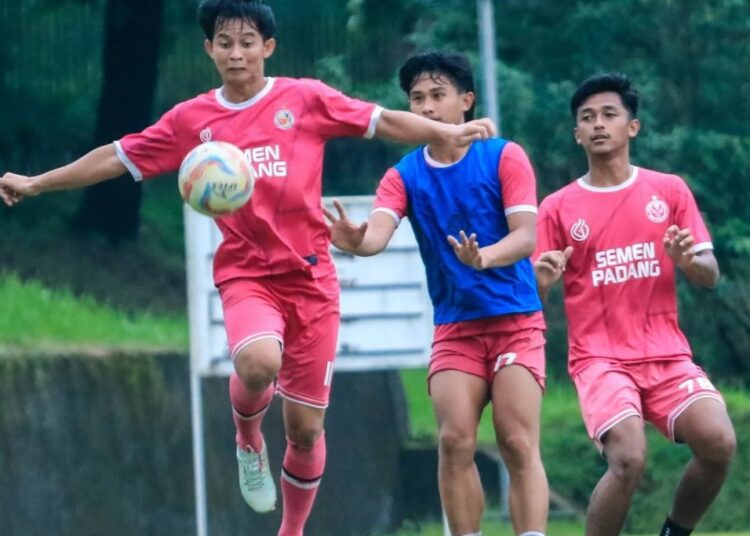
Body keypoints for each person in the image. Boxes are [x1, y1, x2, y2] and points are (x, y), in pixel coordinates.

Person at [0, 3, 496, 535]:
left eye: (247, 41)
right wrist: (37, 182)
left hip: (312, 280)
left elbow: (380, 120)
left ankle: (292, 530)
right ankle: (246, 437)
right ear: (209, 49)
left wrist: (440, 134)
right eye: (225, 42)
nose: (236, 53)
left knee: (306, 430)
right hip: (247, 274)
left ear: (268, 47)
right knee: (259, 363)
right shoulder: (193, 120)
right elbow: (117, 157)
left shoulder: (304, 99)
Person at [324, 51, 548, 536]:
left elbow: (526, 236)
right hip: (457, 330)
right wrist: (357, 242)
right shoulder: (403, 174)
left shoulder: (504, 156)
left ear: (465, 101)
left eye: (437, 96)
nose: (426, 108)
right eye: (416, 99)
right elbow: (377, 234)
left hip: (516, 323)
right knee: (453, 441)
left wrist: (484, 257)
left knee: (515, 441)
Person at [534, 73, 736, 536]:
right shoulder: (558, 207)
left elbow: (709, 273)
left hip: (666, 355)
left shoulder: (668, 191)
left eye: (609, 114)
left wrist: (688, 260)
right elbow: (531, 295)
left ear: (633, 127)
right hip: (600, 360)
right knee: (628, 457)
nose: (598, 124)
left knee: (720, 441)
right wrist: (541, 282)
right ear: (577, 134)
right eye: (588, 118)